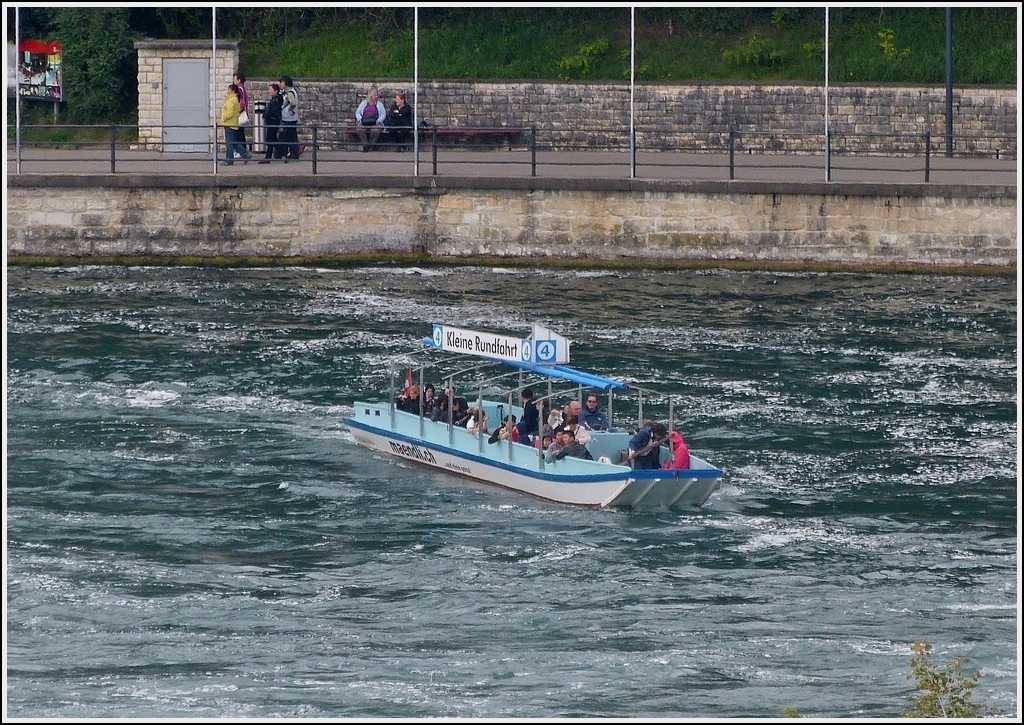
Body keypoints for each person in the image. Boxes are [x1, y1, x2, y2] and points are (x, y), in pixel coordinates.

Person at [219, 83, 250, 166]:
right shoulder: (234, 99)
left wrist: (224, 117)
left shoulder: (232, 100)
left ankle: (229, 160)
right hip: (232, 123)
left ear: (232, 91)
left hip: (229, 123)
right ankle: (245, 154)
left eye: (229, 89)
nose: (227, 91)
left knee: (229, 143)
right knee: (234, 142)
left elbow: (230, 112)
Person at [258, 83, 284, 163]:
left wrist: (266, 115)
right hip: (273, 121)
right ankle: (282, 152)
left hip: (273, 121)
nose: (269, 91)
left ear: (276, 91)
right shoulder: (276, 99)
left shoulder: (276, 100)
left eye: (271, 89)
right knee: (273, 139)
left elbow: (272, 111)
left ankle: (268, 158)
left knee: (270, 139)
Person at [279, 76, 300, 161]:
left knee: (288, 136)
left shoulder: (289, 92)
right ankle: (292, 152)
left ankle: (292, 153)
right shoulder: (287, 92)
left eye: (282, 83)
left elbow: (293, 103)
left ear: (286, 84)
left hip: (288, 118)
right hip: (290, 118)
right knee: (291, 136)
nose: (280, 84)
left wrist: (290, 110)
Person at [232, 71, 250, 153]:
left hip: (239, 113)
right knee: (240, 133)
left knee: (238, 133)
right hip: (241, 112)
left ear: (239, 80)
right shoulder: (242, 88)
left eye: (235, 78)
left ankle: (241, 151)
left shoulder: (239, 89)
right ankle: (242, 150)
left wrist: (237, 111)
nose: (233, 80)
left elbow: (241, 102)